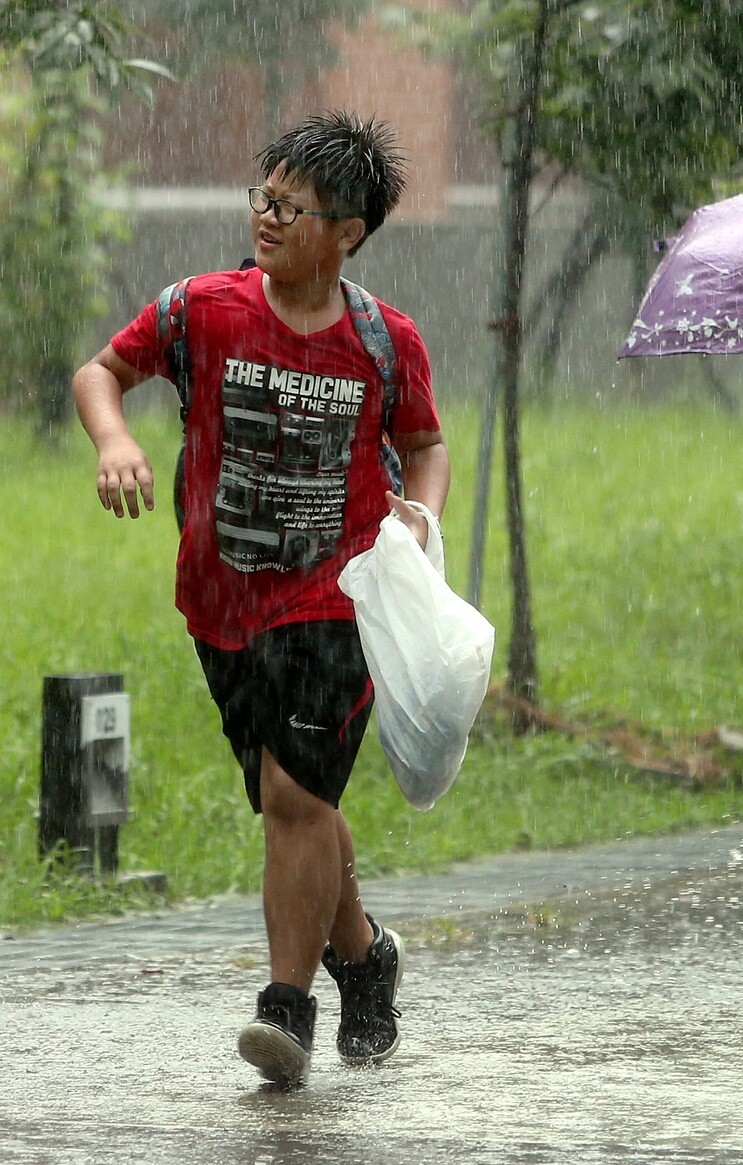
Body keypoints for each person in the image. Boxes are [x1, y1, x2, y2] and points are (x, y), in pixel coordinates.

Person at [73, 112, 450, 1083]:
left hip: (337, 598)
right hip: (219, 602)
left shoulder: (382, 340)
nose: (268, 218)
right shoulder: (202, 307)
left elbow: (425, 445)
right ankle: (366, 958)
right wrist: (115, 438)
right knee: (300, 803)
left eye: (292, 206)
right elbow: (102, 372)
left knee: (294, 794)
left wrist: (417, 515)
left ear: (349, 230)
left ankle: (287, 1010)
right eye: (264, 197)